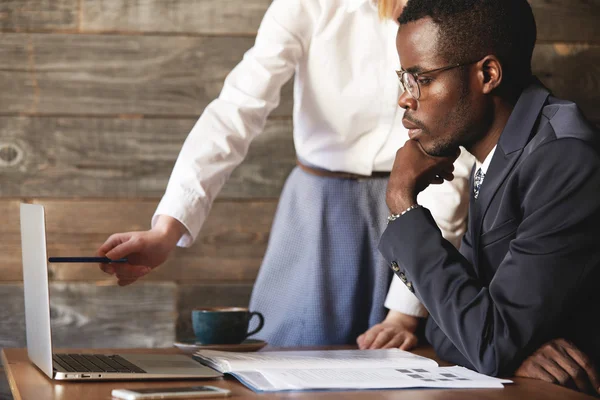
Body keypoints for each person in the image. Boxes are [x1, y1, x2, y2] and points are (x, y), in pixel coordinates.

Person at [95, 0, 474, 347]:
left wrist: (405, 313)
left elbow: (454, 158)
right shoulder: (308, 5)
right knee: (289, 367)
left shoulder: (461, 13)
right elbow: (235, 111)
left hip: (424, 215)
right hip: (317, 215)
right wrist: (167, 228)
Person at [378, 0, 600, 394]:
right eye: (404, 81)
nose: (405, 99)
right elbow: (451, 324)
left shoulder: (563, 159)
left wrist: (402, 202)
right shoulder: (497, 153)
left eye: (422, 79)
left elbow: (484, 339)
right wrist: (503, 348)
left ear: (488, 74)